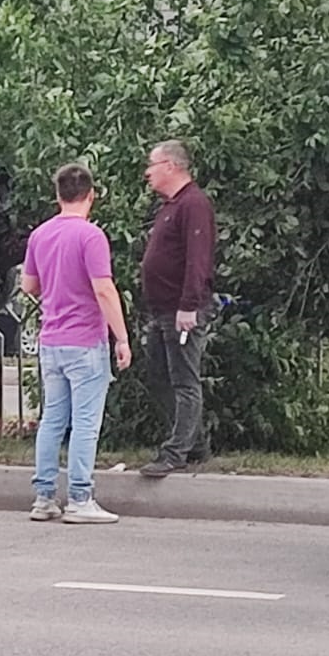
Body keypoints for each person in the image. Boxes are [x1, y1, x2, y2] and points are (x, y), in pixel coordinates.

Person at [19, 163, 132, 524]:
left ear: (57, 195)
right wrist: (122, 338)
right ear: (91, 195)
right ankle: (80, 498)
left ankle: (44, 497)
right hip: (85, 341)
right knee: (85, 422)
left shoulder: (40, 235)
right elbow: (103, 288)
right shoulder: (91, 236)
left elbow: (28, 286)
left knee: (53, 420)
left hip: (51, 340)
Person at [138, 139, 218, 479]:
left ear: (171, 166)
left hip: (181, 310)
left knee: (184, 379)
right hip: (160, 308)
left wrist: (189, 306)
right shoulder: (171, 205)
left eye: (152, 165)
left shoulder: (194, 205)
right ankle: (193, 442)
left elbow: (197, 259)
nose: (147, 173)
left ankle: (176, 452)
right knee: (159, 375)